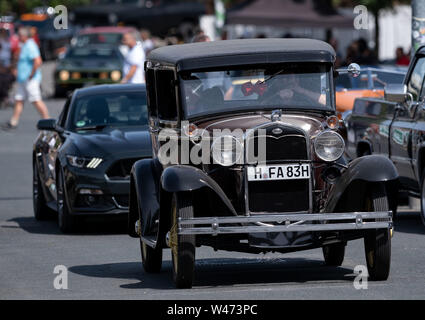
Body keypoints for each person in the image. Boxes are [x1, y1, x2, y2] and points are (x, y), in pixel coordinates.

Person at [2, 27, 49, 130]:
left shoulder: (31, 45)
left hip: (30, 79)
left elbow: (38, 61)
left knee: (36, 100)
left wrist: (31, 74)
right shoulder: (24, 45)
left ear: (23, 36)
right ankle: (13, 121)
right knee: (19, 100)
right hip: (23, 79)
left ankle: (47, 120)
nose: (18, 37)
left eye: (19, 35)